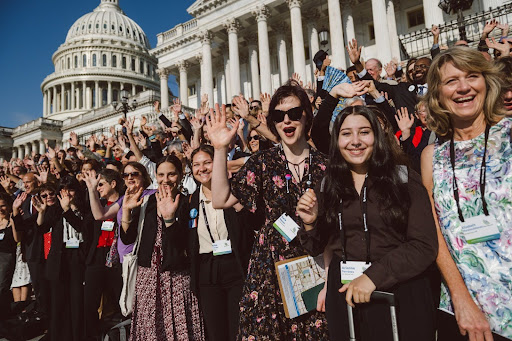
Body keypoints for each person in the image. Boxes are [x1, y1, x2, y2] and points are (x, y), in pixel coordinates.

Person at [297, 105, 438, 340]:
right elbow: (316, 247)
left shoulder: (402, 178)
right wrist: (310, 223)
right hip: (348, 298)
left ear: (377, 136)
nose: (355, 141)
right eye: (346, 133)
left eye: (364, 132)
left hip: (400, 294)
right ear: (336, 140)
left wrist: (373, 276)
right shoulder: (328, 184)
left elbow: (424, 245)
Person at [208, 82, 329, 339]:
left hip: (316, 269)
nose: (287, 120)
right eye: (278, 115)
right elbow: (220, 198)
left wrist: (330, 278)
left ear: (306, 115)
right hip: (270, 272)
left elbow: (337, 231)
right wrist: (220, 149)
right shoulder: (262, 162)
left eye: (294, 114)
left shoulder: (325, 166)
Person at [421, 47, 512, 340]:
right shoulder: (431, 156)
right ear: (438, 94)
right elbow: (432, 230)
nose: (463, 87)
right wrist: (461, 299)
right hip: (463, 313)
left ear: (487, 82)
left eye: (472, 76)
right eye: (451, 81)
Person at [120, 155, 205, 340]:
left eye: (171, 174)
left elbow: (183, 245)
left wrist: (169, 220)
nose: (165, 180)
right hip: (147, 276)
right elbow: (128, 238)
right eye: (161, 175)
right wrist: (126, 210)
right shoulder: (146, 202)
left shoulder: (188, 202)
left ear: (181, 175)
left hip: (176, 278)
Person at [189, 145, 254, 341]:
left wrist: (240, 207)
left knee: (239, 329)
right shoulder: (190, 201)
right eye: (196, 164)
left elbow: (251, 226)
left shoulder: (235, 193)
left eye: (207, 162)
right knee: (216, 333)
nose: (202, 169)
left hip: (235, 266)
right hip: (207, 271)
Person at [37, 176, 88, 341]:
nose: (67, 193)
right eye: (63, 190)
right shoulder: (56, 209)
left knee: (76, 299)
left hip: (78, 257)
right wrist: (42, 212)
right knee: (58, 301)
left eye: (70, 189)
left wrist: (68, 210)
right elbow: (43, 228)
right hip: (59, 258)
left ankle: (76, 335)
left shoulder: (85, 208)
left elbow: (82, 228)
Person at [82, 169, 124, 340]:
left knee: (121, 302)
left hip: (117, 259)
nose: (97, 188)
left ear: (113, 184)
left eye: (101, 184)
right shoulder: (97, 204)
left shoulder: (124, 202)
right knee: (89, 304)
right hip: (97, 258)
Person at [0, 192, 18, 319]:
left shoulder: (12, 220)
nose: (1, 209)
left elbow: (17, 239)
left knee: (2, 287)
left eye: (3, 206)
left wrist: (13, 221)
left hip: (6, 258)